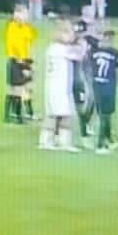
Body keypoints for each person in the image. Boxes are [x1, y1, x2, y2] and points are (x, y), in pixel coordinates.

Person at [38, 22, 82, 153]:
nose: (73, 36)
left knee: (53, 114)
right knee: (63, 115)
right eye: (70, 32)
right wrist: (82, 45)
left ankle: (47, 140)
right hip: (60, 88)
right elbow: (79, 56)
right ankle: (61, 142)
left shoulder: (52, 48)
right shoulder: (62, 49)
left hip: (53, 87)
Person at [89, 27, 118, 153]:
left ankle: (109, 140)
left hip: (96, 86)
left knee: (103, 115)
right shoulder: (115, 53)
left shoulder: (93, 51)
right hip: (108, 87)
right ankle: (100, 145)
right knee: (106, 116)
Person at [3, 3, 36, 124]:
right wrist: (22, 65)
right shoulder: (11, 27)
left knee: (28, 88)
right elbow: (13, 48)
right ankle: (13, 115)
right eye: (23, 14)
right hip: (15, 62)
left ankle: (28, 113)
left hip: (25, 60)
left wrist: (30, 64)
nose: (25, 17)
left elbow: (29, 46)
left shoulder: (27, 28)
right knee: (15, 89)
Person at [72, 14, 101, 146]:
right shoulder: (72, 43)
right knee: (81, 104)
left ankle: (86, 123)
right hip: (78, 78)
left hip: (89, 75)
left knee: (91, 101)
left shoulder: (92, 41)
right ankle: (83, 133)